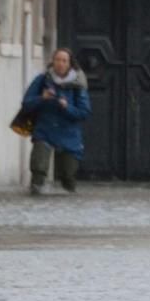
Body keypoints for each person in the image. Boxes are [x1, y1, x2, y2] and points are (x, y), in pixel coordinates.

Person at [23, 49, 91, 193]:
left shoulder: (77, 84)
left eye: (64, 61)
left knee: (68, 175)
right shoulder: (42, 79)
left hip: (69, 134)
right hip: (45, 130)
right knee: (38, 168)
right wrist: (42, 98)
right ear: (52, 62)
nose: (60, 63)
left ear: (70, 64)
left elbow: (84, 112)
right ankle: (36, 193)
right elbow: (26, 103)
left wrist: (67, 107)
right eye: (57, 60)